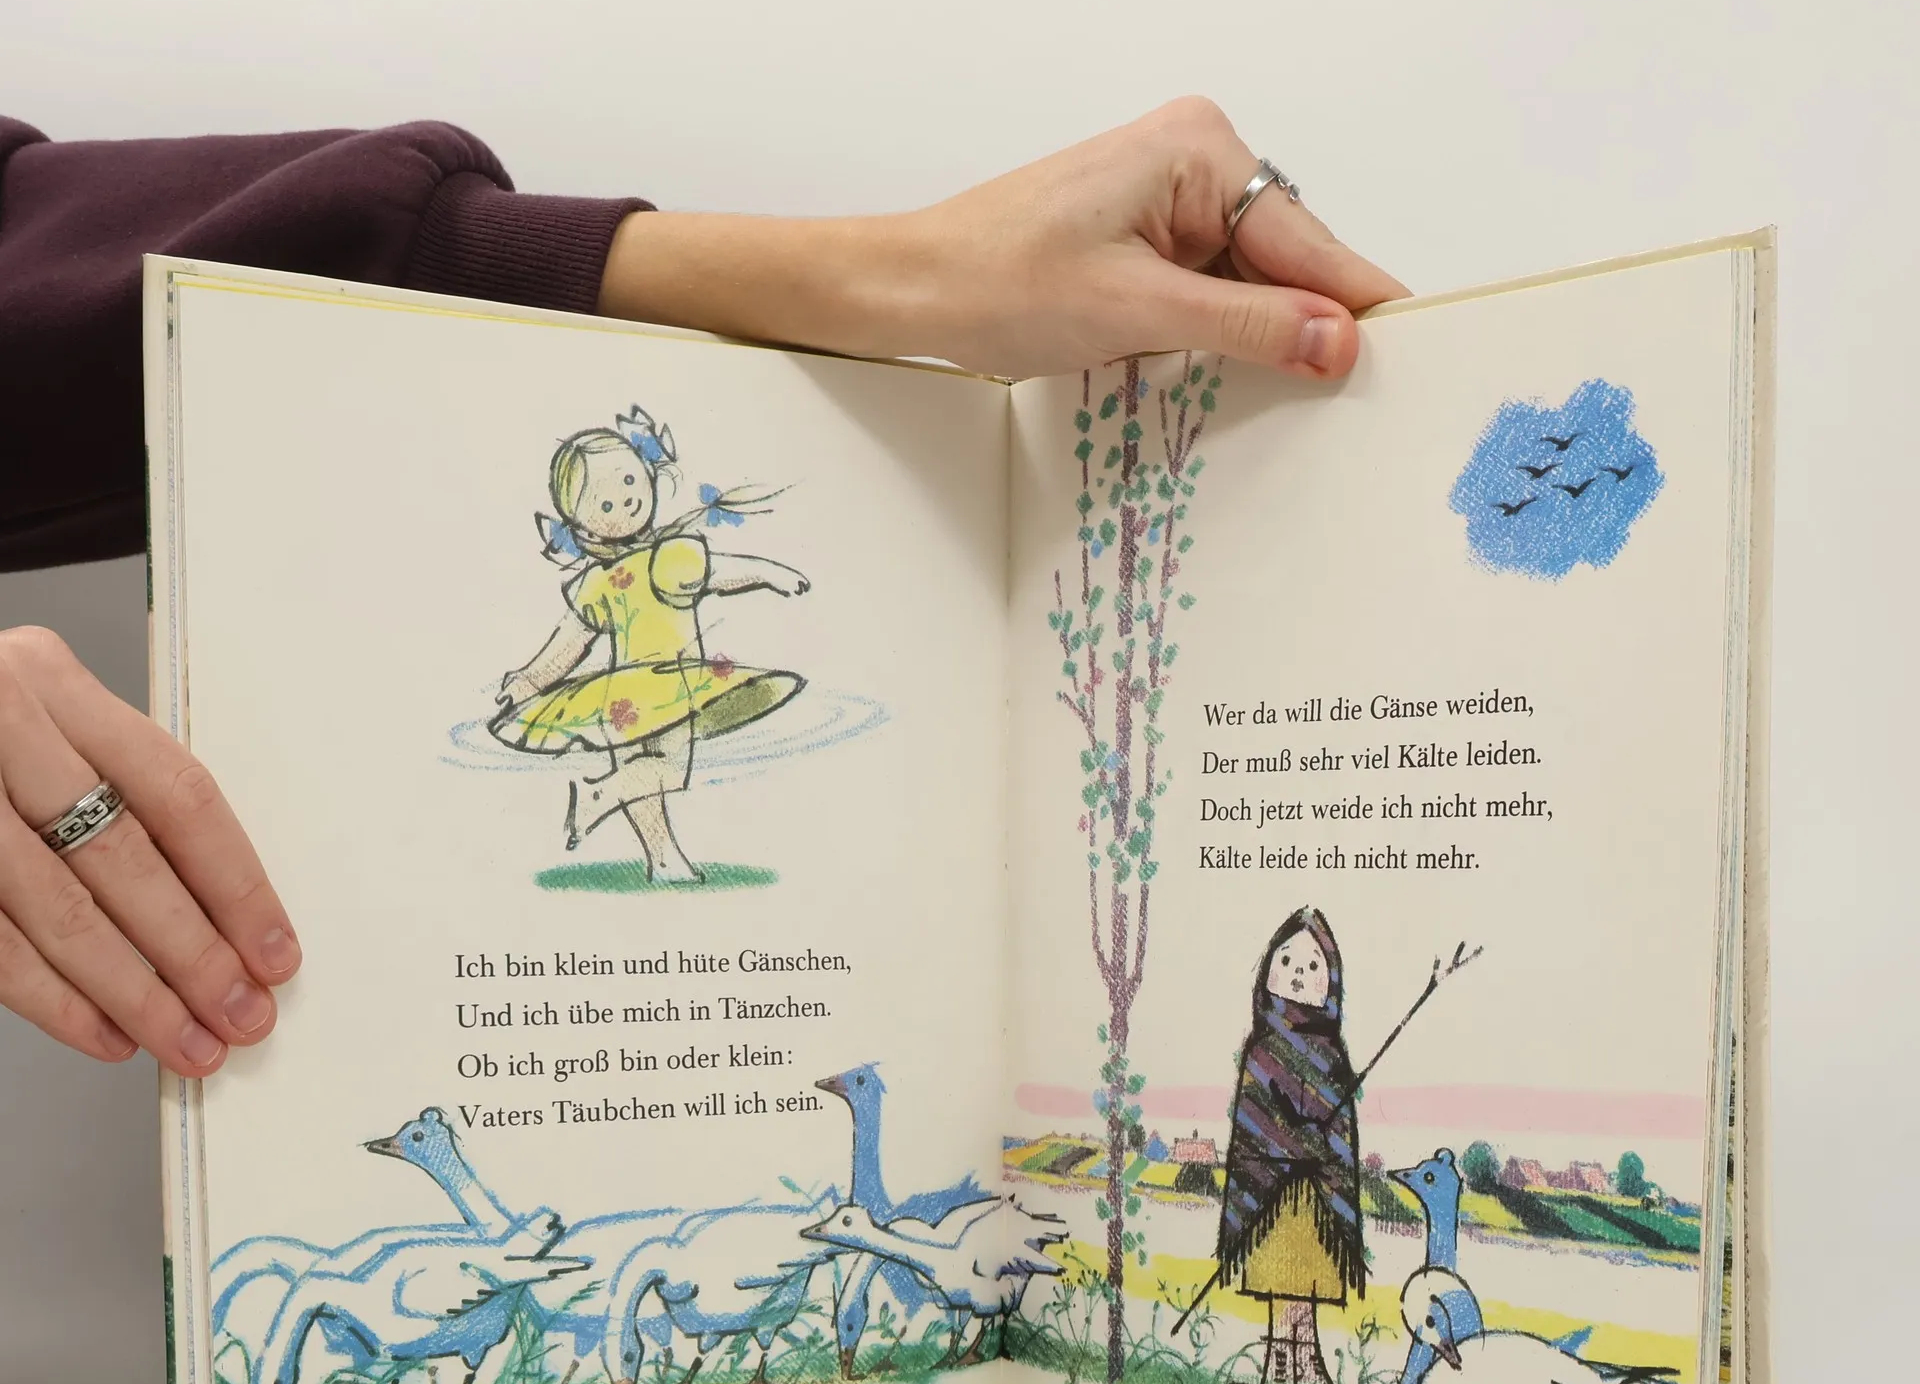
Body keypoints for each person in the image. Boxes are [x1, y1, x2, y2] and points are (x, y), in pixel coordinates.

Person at [0, 98, 1405, 1072]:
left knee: (662, 759)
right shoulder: (608, 586)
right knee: (645, 758)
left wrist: (892, 284)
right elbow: (567, 638)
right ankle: (632, 830)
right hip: (621, 693)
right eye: (598, 498)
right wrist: (529, 676)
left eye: (628, 488)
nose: (618, 510)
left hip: (672, 676)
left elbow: (39, 252)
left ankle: (632, 829)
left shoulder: (670, 557)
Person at [488, 406, 808, 879]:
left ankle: (662, 860)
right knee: (668, 770)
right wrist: (771, 574)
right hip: (672, 685)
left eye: (629, 481)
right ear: (583, 528)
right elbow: (721, 574)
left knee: (647, 775)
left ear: (647, 471)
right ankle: (602, 796)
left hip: (621, 698)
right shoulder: (662, 560)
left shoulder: (609, 577)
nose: (626, 501)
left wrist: (531, 679)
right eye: (605, 505)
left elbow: (572, 641)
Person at [1216, 906, 1366, 1384]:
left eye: (1312, 966)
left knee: (1308, 1276)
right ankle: (1280, 1366)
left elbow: (1337, 1128)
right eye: (1288, 962)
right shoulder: (1262, 1049)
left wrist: (1319, 1147)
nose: (1299, 974)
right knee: (1282, 1277)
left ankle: (1308, 1365)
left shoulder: (1332, 1055)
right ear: (1268, 972)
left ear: (1330, 981)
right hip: (1273, 1190)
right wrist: (1296, 1142)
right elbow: (1262, 1118)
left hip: (1316, 1194)